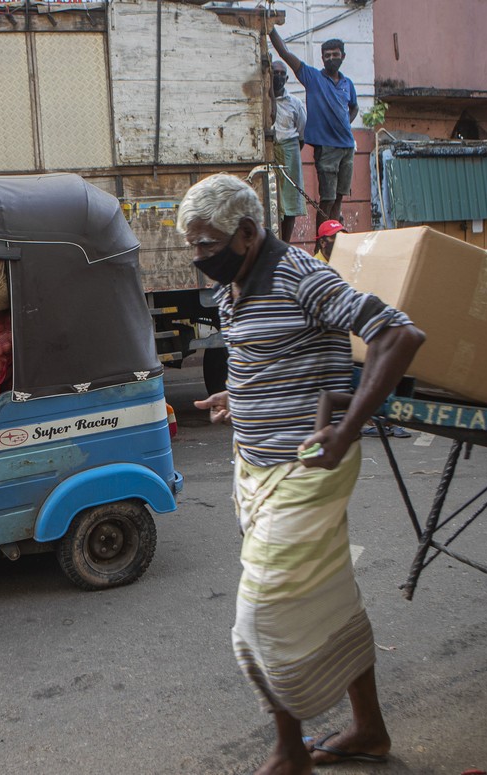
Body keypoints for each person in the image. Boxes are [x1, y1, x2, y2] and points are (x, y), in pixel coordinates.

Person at [179, 173, 424, 775]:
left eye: (207, 245)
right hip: (255, 467)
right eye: (193, 246)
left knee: (260, 618)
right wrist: (235, 398)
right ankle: (369, 729)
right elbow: (277, 357)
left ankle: (291, 753)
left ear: (246, 232)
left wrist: (346, 430)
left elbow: (399, 333)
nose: (198, 259)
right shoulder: (238, 283)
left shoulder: (298, 275)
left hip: (305, 468)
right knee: (329, 599)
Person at [269, 28, 358, 225]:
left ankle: (333, 240)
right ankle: (322, 244)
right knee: (327, 199)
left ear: (343, 56)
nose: (331, 58)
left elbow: (354, 107)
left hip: (347, 147)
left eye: (335, 55)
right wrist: (271, 30)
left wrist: (344, 126)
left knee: (340, 197)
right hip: (326, 148)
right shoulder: (313, 78)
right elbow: (286, 53)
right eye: (327, 56)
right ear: (322, 58)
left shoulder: (347, 83)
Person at [272, 60, 308, 242]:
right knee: (273, 199)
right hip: (270, 152)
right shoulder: (263, 99)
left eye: (281, 73)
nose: (277, 76)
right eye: (274, 72)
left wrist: (289, 153)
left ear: (286, 78)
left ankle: (285, 243)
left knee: (290, 201)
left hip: (290, 150)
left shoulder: (295, 102)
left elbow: (301, 133)